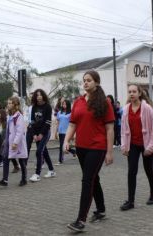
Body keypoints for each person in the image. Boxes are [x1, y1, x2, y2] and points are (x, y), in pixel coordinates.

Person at [63, 70, 114, 232]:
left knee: (87, 181)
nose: (85, 83)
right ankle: (101, 210)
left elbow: (110, 129)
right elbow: (72, 124)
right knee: (93, 179)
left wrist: (109, 152)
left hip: (97, 147)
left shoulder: (104, 102)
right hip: (81, 147)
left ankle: (81, 220)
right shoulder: (78, 101)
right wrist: (66, 140)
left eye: (89, 80)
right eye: (84, 80)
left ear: (97, 82)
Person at [120, 84, 153, 211]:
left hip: (146, 144)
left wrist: (151, 146)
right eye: (129, 91)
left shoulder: (147, 108)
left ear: (139, 93)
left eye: (134, 91)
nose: (131, 94)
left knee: (148, 170)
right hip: (133, 145)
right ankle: (130, 201)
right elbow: (123, 129)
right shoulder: (125, 109)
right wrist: (124, 146)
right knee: (131, 172)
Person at [0, 96, 28, 187]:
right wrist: (6, 140)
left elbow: (20, 131)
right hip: (9, 142)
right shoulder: (10, 116)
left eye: (10, 103)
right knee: (5, 158)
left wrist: (15, 142)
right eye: (8, 103)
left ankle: (24, 179)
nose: (8, 105)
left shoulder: (19, 116)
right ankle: (5, 180)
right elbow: (9, 130)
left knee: (21, 160)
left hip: (17, 143)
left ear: (15, 105)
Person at [29, 89, 56, 182]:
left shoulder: (47, 107)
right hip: (36, 133)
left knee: (39, 151)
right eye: (37, 95)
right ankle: (51, 170)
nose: (38, 97)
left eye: (40, 95)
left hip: (45, 133)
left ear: (43, 96)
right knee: (44, 152)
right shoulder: (34, 107)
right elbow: (32, 121)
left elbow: (48, 122)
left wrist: (41, 134)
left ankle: (37, 174)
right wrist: (34, 135)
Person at [55, 99, 75, 165]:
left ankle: (60, 160)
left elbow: (72, 124)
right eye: (63, 104)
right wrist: (56, 131)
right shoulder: (59, 112)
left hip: (67, 132)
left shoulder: (71, 113)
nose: (64, 105)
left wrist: (73, 134)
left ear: (68, 105)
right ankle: (74, 152)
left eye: (65, 104)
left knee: (61, 146)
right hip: (60, 132)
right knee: (64, 146)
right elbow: (57, 122)